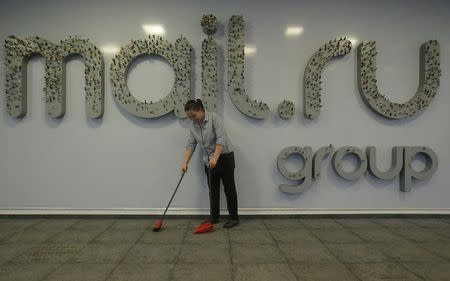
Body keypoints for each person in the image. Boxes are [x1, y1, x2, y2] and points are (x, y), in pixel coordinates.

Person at [181, 99, 239, 228]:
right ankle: (214, 217)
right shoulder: (193, 126)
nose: (192, 119)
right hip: (209, 162)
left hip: (224, 158)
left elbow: (221, 139)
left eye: (193, 116)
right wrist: (185, 162)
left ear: (201, 110)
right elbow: (191, 145)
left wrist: (215, 157)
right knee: (212, 190)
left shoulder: (214, 118)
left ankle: (234, 218)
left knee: (229, 189)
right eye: (190, 117)